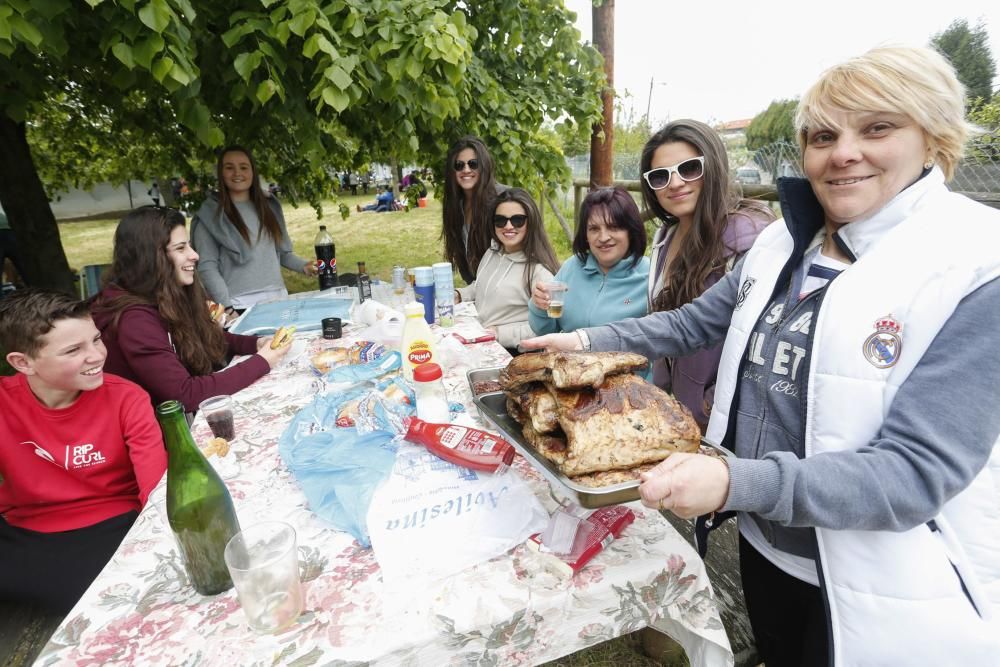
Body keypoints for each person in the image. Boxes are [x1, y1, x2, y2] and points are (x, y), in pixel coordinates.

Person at [523, 45, 1000, 666]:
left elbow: (914, 472)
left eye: (878, 127)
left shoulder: (977, 264)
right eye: (823, 135)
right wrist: (586, 341)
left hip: (881, 578)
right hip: (763, 538)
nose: (843, 152)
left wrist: (731, 481)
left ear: (934, 137)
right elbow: (695, 322)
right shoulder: (782, 242)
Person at [0, 288, 167, 612]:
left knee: (118, 594)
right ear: (23, 362)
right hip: (23, 530)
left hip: (110, 525)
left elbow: (155, 493)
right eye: (74, 349)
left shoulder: (126, 398)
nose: (96, 356)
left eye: (96, 340)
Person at [91, 206, 291, 413]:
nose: (194, 255)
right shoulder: (135, 321)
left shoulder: (164, 293)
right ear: (150, 258)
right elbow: (185, 394)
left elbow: (202, 335)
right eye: (180, 248)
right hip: (148, 432)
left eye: (189, 246)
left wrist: (255, 343)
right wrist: (262, 362)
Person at [640, 119, 774, 428]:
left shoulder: (750, 238)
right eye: (660, 176)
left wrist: (710, 402)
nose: (674, 183)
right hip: (670, 409)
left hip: (719, 421)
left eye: (689, 169)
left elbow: (763, 340)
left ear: (712, 167)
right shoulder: (665, 235)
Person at [191, 146, 317, 312]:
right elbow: (207, 267)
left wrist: (304, 266)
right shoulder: (210, 215)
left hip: (278, 298)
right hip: (239, 306)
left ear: (253, 172)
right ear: (221, 173)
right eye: (229, 168)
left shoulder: (268, 207)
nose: (237, 173)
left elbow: (282, 254)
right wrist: (227, 308)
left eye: (244, 167)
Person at [528, 187, 649, 336]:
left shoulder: (650, 276)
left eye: (614, 227)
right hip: (570, 358)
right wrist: (539, 306)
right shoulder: (572, 267)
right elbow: (546, 330)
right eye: (594, 229)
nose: (603, 237)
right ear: (585, 234)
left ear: (631, 231)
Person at [455, 188, 560, 352]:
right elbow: (481, 285)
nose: (508, 226)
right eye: (500, 220)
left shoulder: (539, 272)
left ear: (531, 222)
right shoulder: (492, 253)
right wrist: (460, 295)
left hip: (509, 354)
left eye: (517, 220)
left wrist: (498, 333)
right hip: (478, 341)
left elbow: (547, 329)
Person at [441, 136, 507, 284]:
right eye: (459, 165)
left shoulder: (503, 199)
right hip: (477, 291)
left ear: (484, 165)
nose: (466, 170)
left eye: (473, 164)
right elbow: (461, 253)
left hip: (505, 292)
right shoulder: (456, 204)